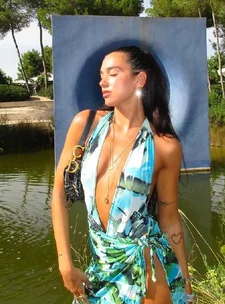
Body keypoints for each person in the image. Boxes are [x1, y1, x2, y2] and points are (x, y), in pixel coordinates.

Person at [51, 46, 194, 304]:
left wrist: (187, 286)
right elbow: (59, 192)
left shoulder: (163, 145)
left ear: (140, 79)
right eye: (101, 75)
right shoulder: (85, 124)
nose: (102, 81)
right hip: (100, 265)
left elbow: (170, 220)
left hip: (146, 270)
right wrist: (65, 264)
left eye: (113, 73)